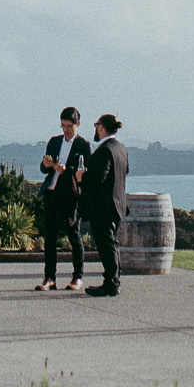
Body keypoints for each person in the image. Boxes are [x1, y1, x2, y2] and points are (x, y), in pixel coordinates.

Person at [35, 106, 91, 292]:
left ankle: (78, 277)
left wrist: (67, 171)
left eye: (69, 126)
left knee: (73, 235)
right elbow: (44, 169)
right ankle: (49, 277)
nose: (66, 130)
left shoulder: (83, 145)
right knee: (49, 237)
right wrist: (46, 164)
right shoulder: (54, 141)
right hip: (51, 192)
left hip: (69, 196)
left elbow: (85, 173)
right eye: (63, 126)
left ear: (78, 124)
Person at [75, 113, 128, 297]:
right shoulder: (121, 148)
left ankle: (111, 283)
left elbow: (99, 178)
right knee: (112, 243)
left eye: (96, 125)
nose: (95, 129)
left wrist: (82, 177)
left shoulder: (105, 150)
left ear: (101, 127)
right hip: (118, 204)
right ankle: (113, 280)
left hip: (104, 206)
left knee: (107, 245)